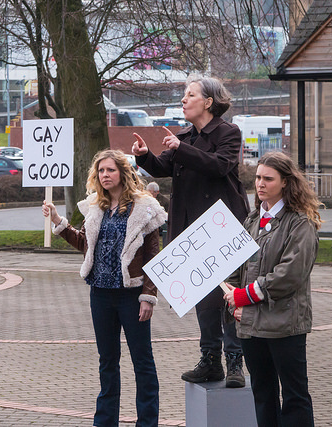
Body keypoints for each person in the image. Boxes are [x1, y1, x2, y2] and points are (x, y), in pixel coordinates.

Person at [132, 75, 249, 388]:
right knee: (203, 296)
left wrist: (180, 148)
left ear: (208, 102)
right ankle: (210, 360)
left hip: (222, 228)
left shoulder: (228, 132)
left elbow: (219, 165)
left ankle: (235, 360)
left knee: (228, 293)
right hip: (191, 230)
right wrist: (144, 155)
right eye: (184, 95)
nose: (184, 100)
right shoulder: (184, 136)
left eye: (190, 95)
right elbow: (162, 167)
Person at [42, 149, 167, 427]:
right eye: (100, 171)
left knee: (142, 361)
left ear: (123, 172)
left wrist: (148, 296)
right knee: (107, 361)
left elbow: (153, 256)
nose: (105, 175)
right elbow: (85, 244)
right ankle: (105, 421)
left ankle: (147, 422)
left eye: (110, 170)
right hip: (100, 293)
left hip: (132, 295)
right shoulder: (95, 207)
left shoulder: (144, 208)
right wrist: (58, 222)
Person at [223, 152, 321, 427]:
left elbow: (290, 274)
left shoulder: (300, 222)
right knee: (263, 394)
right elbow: (236, 266)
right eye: (258, 177)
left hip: (285, 324)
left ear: (285, 182)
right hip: (252, 326)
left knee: (294, 396)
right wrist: (233, 300)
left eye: (268, 178)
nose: (260, 184)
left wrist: (244, 296)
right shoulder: (252, 220)